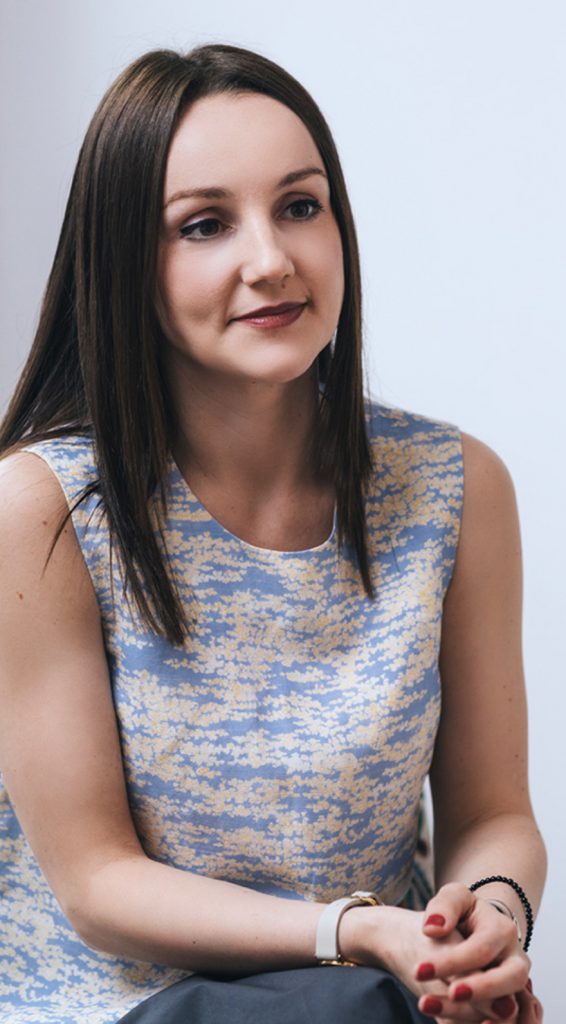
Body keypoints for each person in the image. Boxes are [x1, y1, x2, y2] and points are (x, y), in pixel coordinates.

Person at [0, 43, 546, 1024]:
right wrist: (354, 929)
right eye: (204, 225)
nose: (270, 260)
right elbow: (96, 884)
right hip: (123, 1007)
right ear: (124, 259)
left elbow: (494, 814)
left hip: (369, 997)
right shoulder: (42, 509)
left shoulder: (455, 487)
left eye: (300, 205)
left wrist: (481, 928)